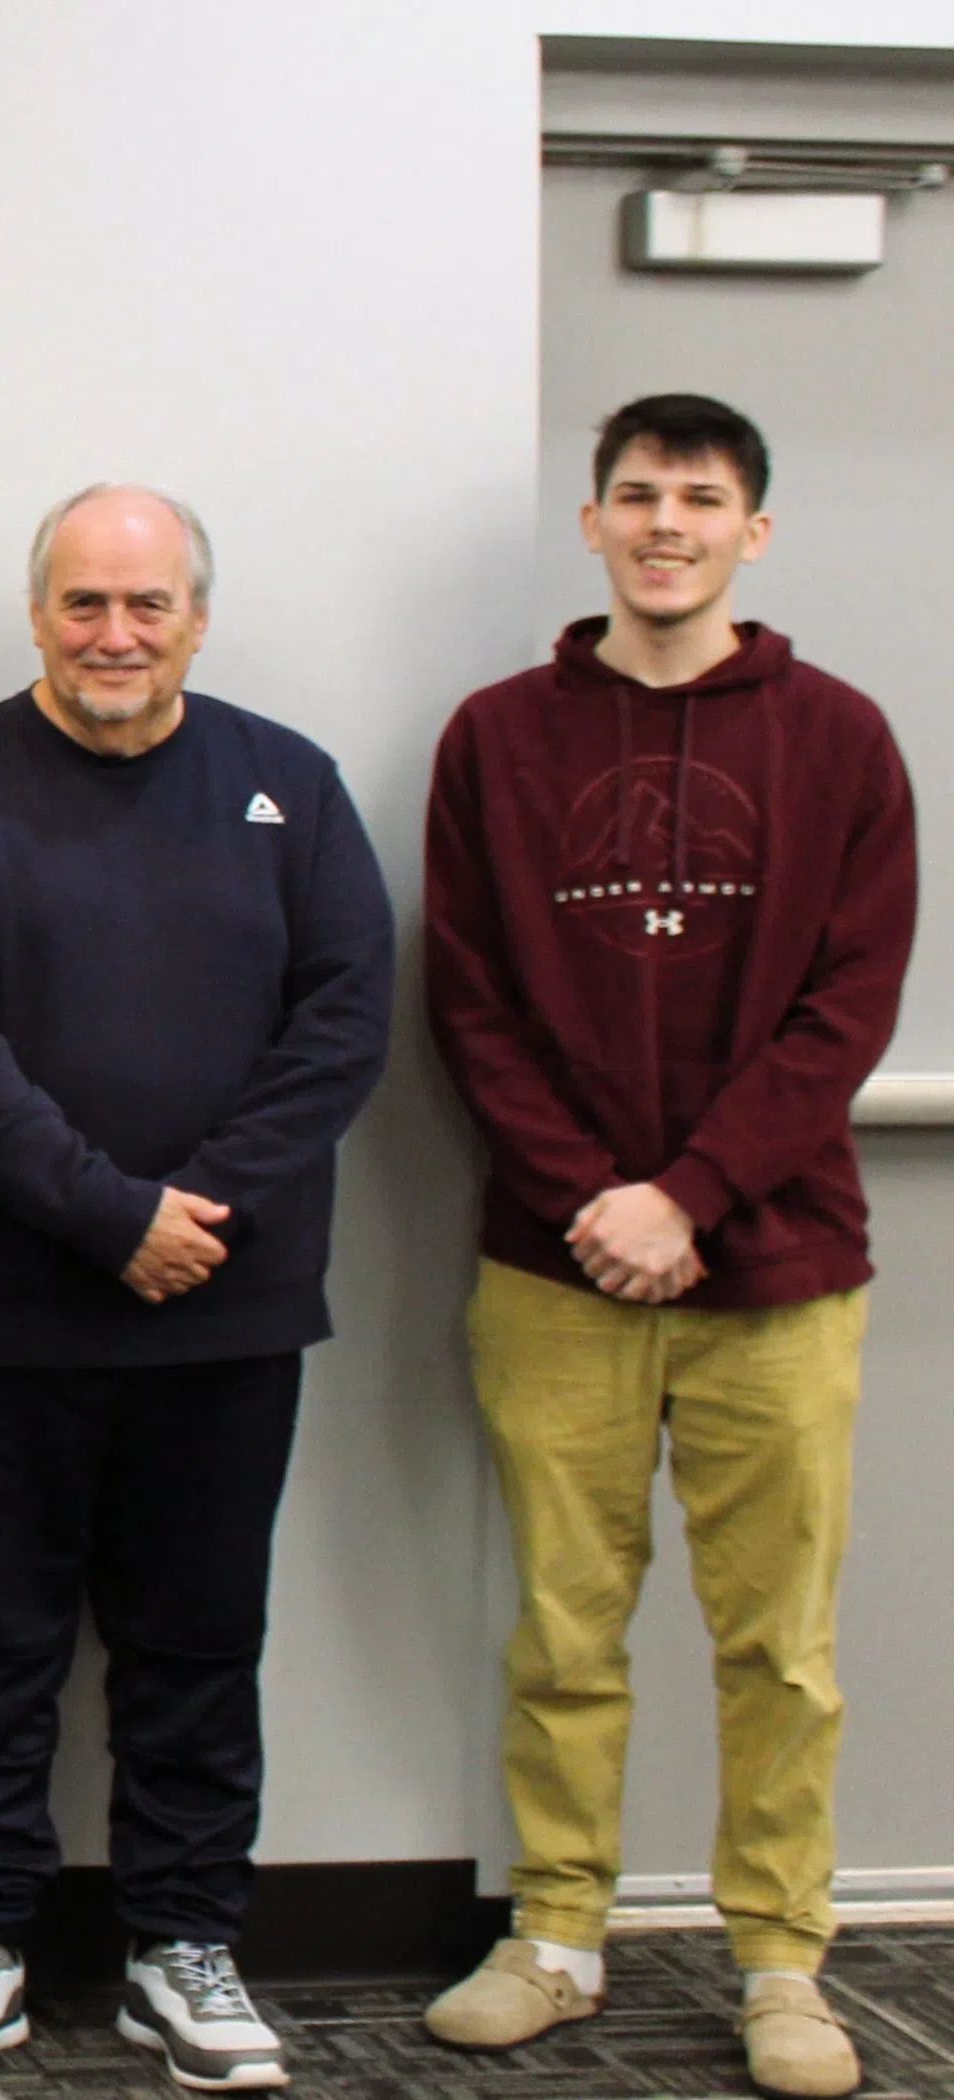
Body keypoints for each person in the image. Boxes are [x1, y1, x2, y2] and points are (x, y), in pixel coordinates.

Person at [0, 486, 392, 2093]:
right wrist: (110, 1217)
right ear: (38, 615)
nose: (114, 634)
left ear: (196, 620)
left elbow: (345, 1016)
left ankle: (185, 1943)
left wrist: (195, 1211)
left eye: (146, 605)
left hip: (223, 1307)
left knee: (199, 1647)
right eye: (84, 603)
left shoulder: (291, 784)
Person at [416, 395, 913, 2100]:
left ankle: (782, 1962)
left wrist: (690, 1195)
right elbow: (468, 1000)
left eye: (701, 500)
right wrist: (597, 1201)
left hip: (783, 1274)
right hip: (553, 1270)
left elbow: (849, 1005)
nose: (665, 526)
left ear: (751, 533)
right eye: (636, 495)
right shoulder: (496, 739)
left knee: (781, 1648)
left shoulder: (843, 740)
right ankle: (557, 1936)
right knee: (564, 1629)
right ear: (593, 523)